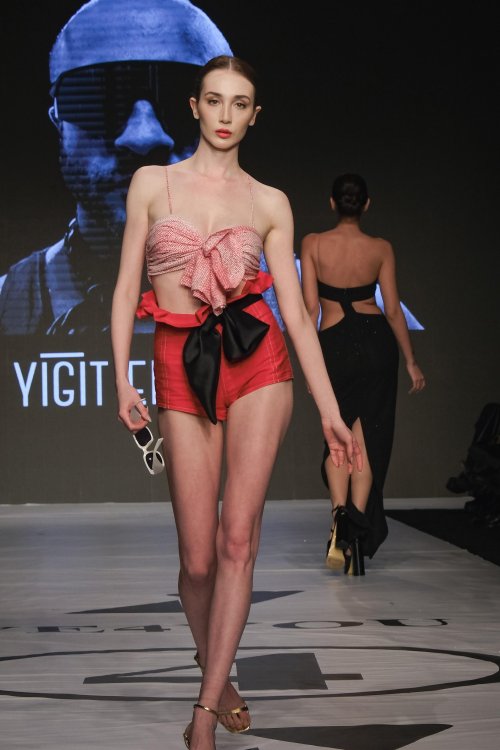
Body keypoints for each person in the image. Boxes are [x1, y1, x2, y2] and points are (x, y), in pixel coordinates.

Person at [111, 56, 362, 749]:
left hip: (258, 363)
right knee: (196, 561)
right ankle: (217, 676)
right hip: (177, 362)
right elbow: (126, 284)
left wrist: (330, 411)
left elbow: (296, 316)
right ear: (194, 106)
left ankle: (202, 717)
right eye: (215, 100)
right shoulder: (152, 183)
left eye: (240, 103)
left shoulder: (269, 202)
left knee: (237, 540)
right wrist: (122, 379)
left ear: (255, 115)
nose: (226, 115)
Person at [0, 0, 243, 334]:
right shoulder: (7, 303)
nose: (143, 137)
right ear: (58, 122)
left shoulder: (298, 296)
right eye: (100, 97)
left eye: (180, 98)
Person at [300, 173, 426, 576]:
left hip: (333, 347)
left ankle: (339, 518)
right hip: (376, 345)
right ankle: (355, 530)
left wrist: (310, 367)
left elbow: (310, 312)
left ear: (333, 203)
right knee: (366, 438)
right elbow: (393, 310)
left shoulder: (313, 243)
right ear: (366, 204)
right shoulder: (380, 248)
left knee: (338, 436)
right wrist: (410, 360)